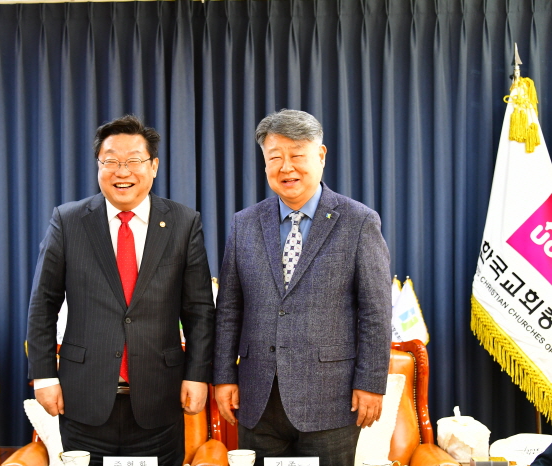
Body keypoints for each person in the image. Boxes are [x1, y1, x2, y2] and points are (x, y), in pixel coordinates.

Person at [27, 115, 215, 466]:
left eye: (133, 161)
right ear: (99, 165)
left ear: (153, 166)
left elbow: (199, 310)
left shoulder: (183, 223)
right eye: (110, 161)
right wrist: (44, 375)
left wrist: (197, 374)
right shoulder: (68, 221)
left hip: (160, 398)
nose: (122, 172)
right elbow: (43, 303)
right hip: (83, 398)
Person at [214, 109, 392, 466]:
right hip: (257, 397)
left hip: (331, 399)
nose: (286, 167)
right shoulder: (244, 223)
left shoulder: (358, 221)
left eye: (297, 155)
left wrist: (371, 383)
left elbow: (375, 311)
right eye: (274, 157)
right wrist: (223, 376)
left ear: (320, 155)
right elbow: (230, 309)